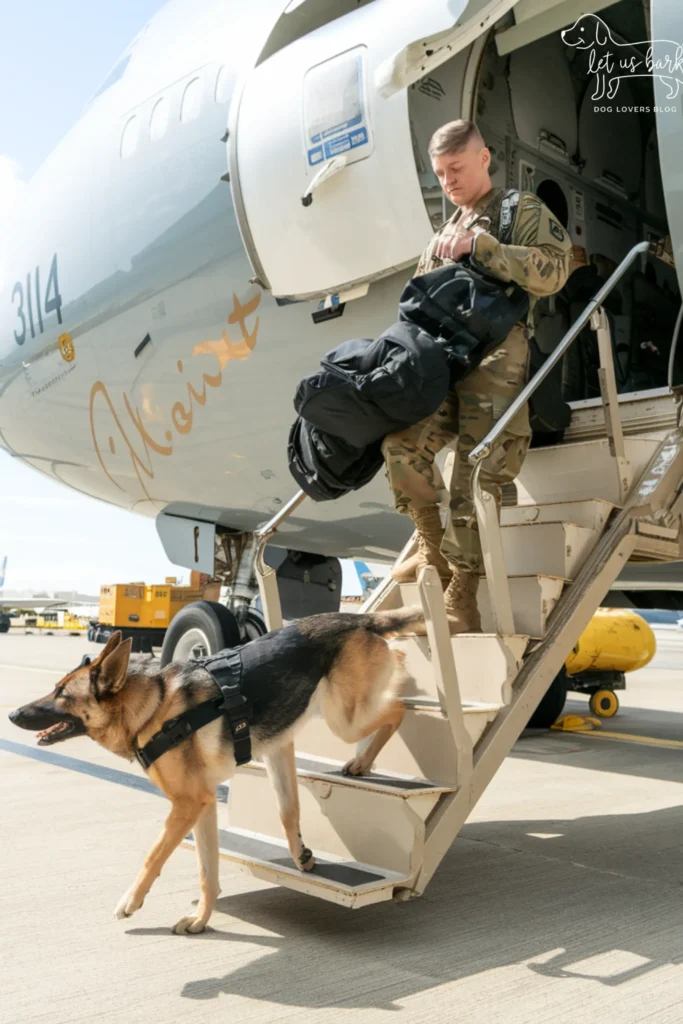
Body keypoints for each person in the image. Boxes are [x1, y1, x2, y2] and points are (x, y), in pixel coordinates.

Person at [383, 119, 572, 633]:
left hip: (498, 355)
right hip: (445, 361)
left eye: (456, 169)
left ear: (484, 158)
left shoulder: (519, 211)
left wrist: (482, 249)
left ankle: (462, 594)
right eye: (440, 173)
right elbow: (416, 303)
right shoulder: (441, 236)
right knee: (401, 442)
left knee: (474, 468)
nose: (448, 182)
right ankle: (431, 549)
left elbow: (555, 271)